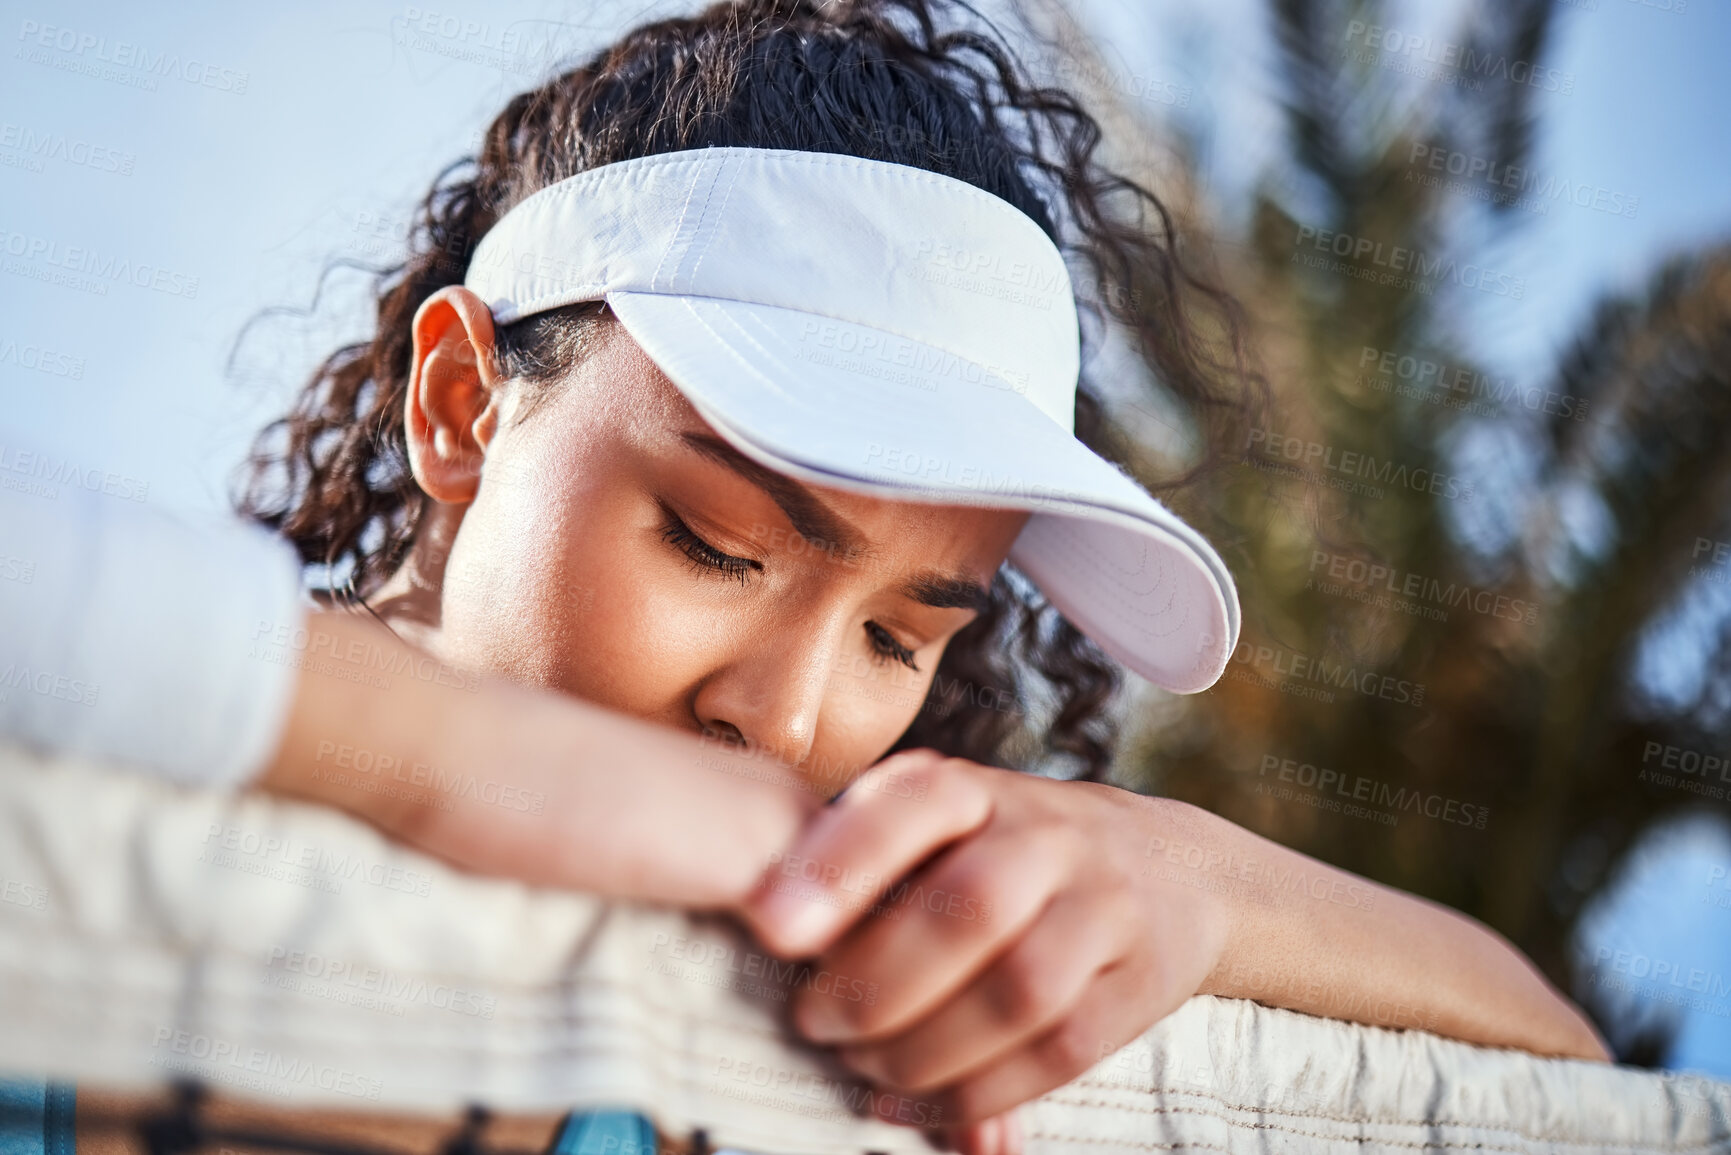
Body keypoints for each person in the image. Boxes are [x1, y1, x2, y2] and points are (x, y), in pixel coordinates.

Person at [0, 2, 1608, 1154]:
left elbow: (1581, 1088)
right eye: (717, 543)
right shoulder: (103, 763)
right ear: (456, 404)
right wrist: (452, 760)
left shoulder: (816, 1017)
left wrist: (1181, 874)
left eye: (905, 635)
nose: (787, 717)